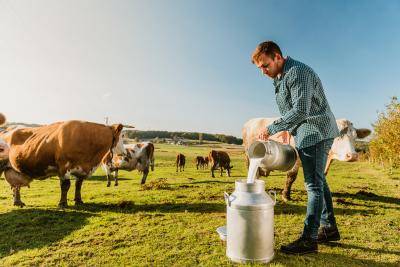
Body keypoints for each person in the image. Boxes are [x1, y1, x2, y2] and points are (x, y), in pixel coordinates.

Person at [251, 41, 341, 254]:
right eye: (259, 68)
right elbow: (294, 111)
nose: (263, 72)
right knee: (319, 181)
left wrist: (273, 127)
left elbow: (301, 109)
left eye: (265, 65)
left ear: (278, 57)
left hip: (316, 131)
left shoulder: (297, 72)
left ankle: (309, 239)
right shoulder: (281, 77)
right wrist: (287, 129)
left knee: (313, 186)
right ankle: (329, 228)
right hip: (308, 131)